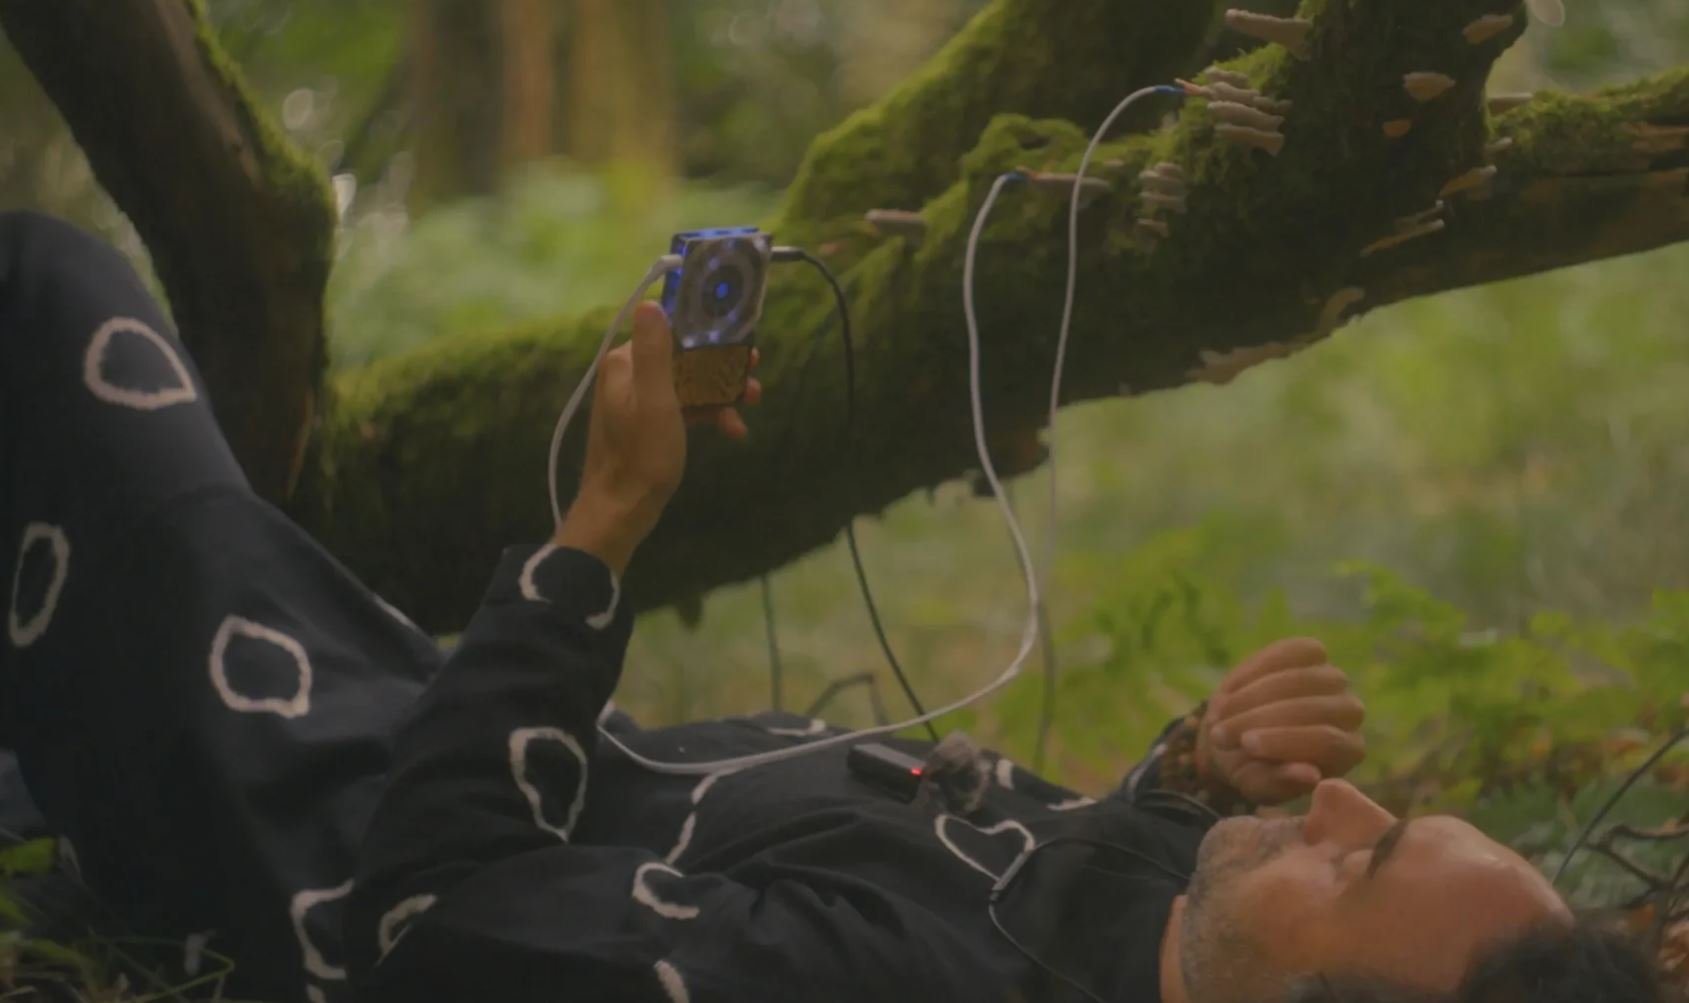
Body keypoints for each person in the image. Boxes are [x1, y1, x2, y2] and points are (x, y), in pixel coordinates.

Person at [0, 212, 1666, 1003]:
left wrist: (603, 531)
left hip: (301, 794)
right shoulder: (1175, 944)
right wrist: (1180, 782)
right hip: (440, 716)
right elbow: (1077, 885)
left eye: (1358, 861)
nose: (1342, 798)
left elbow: (424, 926)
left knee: (44, 290)